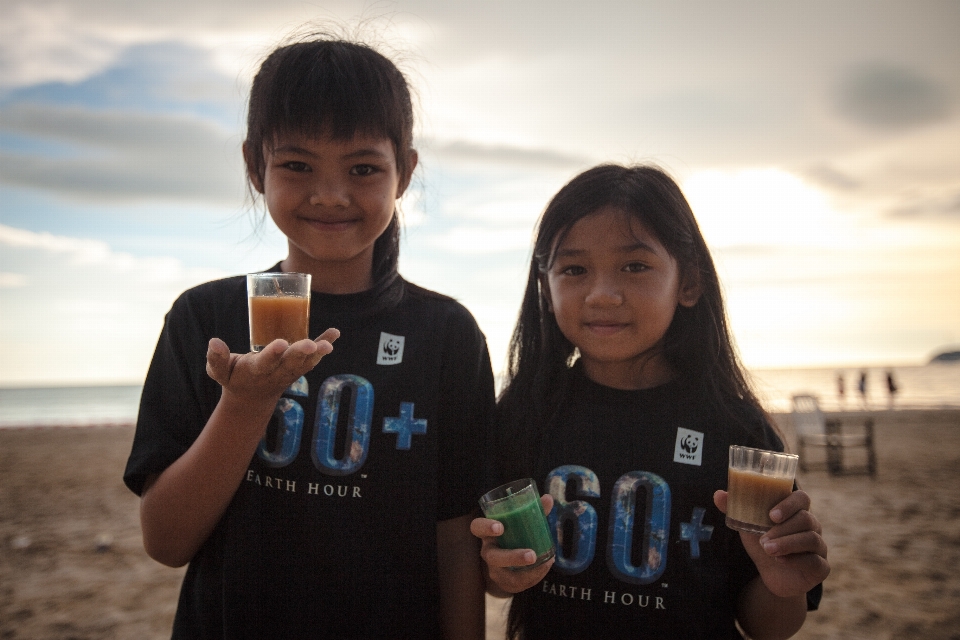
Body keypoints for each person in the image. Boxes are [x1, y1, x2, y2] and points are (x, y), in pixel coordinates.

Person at [124, 35, 492, 640]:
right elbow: (165, 540)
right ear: (254, 167)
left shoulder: (446, 335)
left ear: (405, 173)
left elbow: (455, 537)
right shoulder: (207, 317)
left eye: (363, 168)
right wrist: (243, 405)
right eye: (297, 165)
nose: (329, 193)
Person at [470, 164, 829, 639]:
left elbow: (768, 625)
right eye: (574, 269)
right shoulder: (525, 412)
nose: (602, 295)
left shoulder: (737, 431)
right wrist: (501, 571)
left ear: (689, 283)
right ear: (546, 287)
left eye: (634, 266)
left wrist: (783, 583)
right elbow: (497, 578)